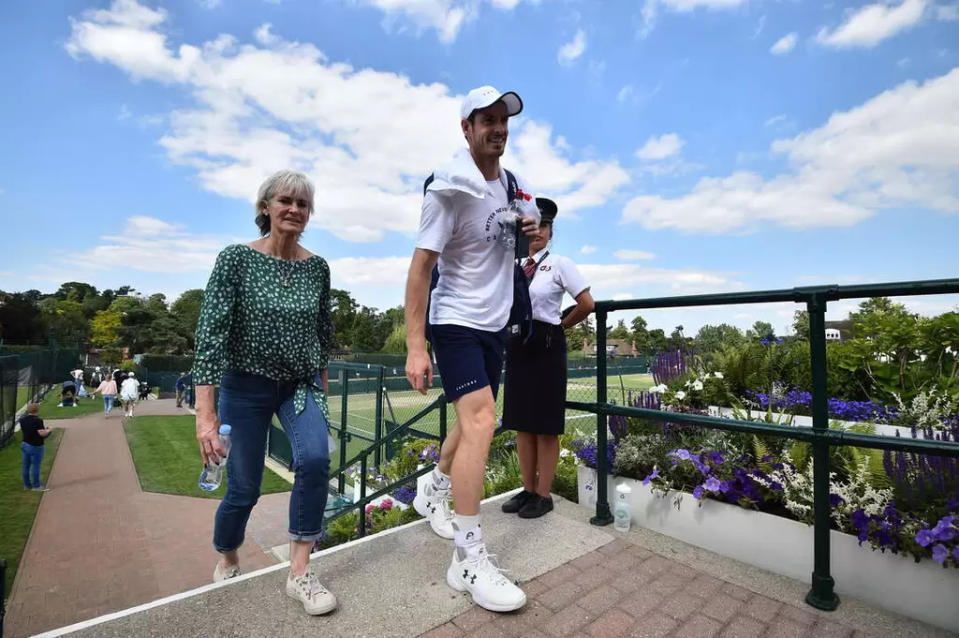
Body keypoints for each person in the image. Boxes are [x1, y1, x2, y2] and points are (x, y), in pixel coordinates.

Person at [405, 85, 539, 613]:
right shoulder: (449, 186)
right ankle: (467, 557)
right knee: (482, 420)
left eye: (503, 119)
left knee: (473, 418)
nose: (497, 127)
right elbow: (419, 268)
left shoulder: (512, 181)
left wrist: (529, 227)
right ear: (466, 128)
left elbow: (525, 229)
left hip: (494, 322)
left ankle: (434, 484)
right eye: (485, 120)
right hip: (455, 319)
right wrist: (416, 346)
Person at [193, 169, 336, 615]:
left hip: (299, 385)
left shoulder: (317, 267)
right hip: (245, 388)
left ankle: (299, 573)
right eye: (285, 201)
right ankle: (228, 554)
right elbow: (211, 334)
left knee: (315, 458)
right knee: (244, 489)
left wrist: (322, 379)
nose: (294, 210)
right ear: (266, 208)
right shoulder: (236, 260)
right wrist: (205, 415)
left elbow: (323, 329)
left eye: (303, 204)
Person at [501, 198, 594, 518]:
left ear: (551, 232)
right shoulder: (511, 268)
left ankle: (544, 494)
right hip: (517, 346)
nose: (537, 231)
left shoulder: (560, 264)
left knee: (545, 426)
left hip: (546, 345)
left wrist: (561, 326)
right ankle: (527, 490)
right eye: (531, 226)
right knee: (522, 425)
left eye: (543, 226)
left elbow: (586, 303)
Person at [20, 403, 53, 491]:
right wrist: (49, 430)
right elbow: (42, 433)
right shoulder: (38, 420)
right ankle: (36, 486)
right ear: (37, 410)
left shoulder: (22, 420)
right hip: (35, 446)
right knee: (35, 466)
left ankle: (27, 485)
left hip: (25, 444)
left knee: (26, 466)